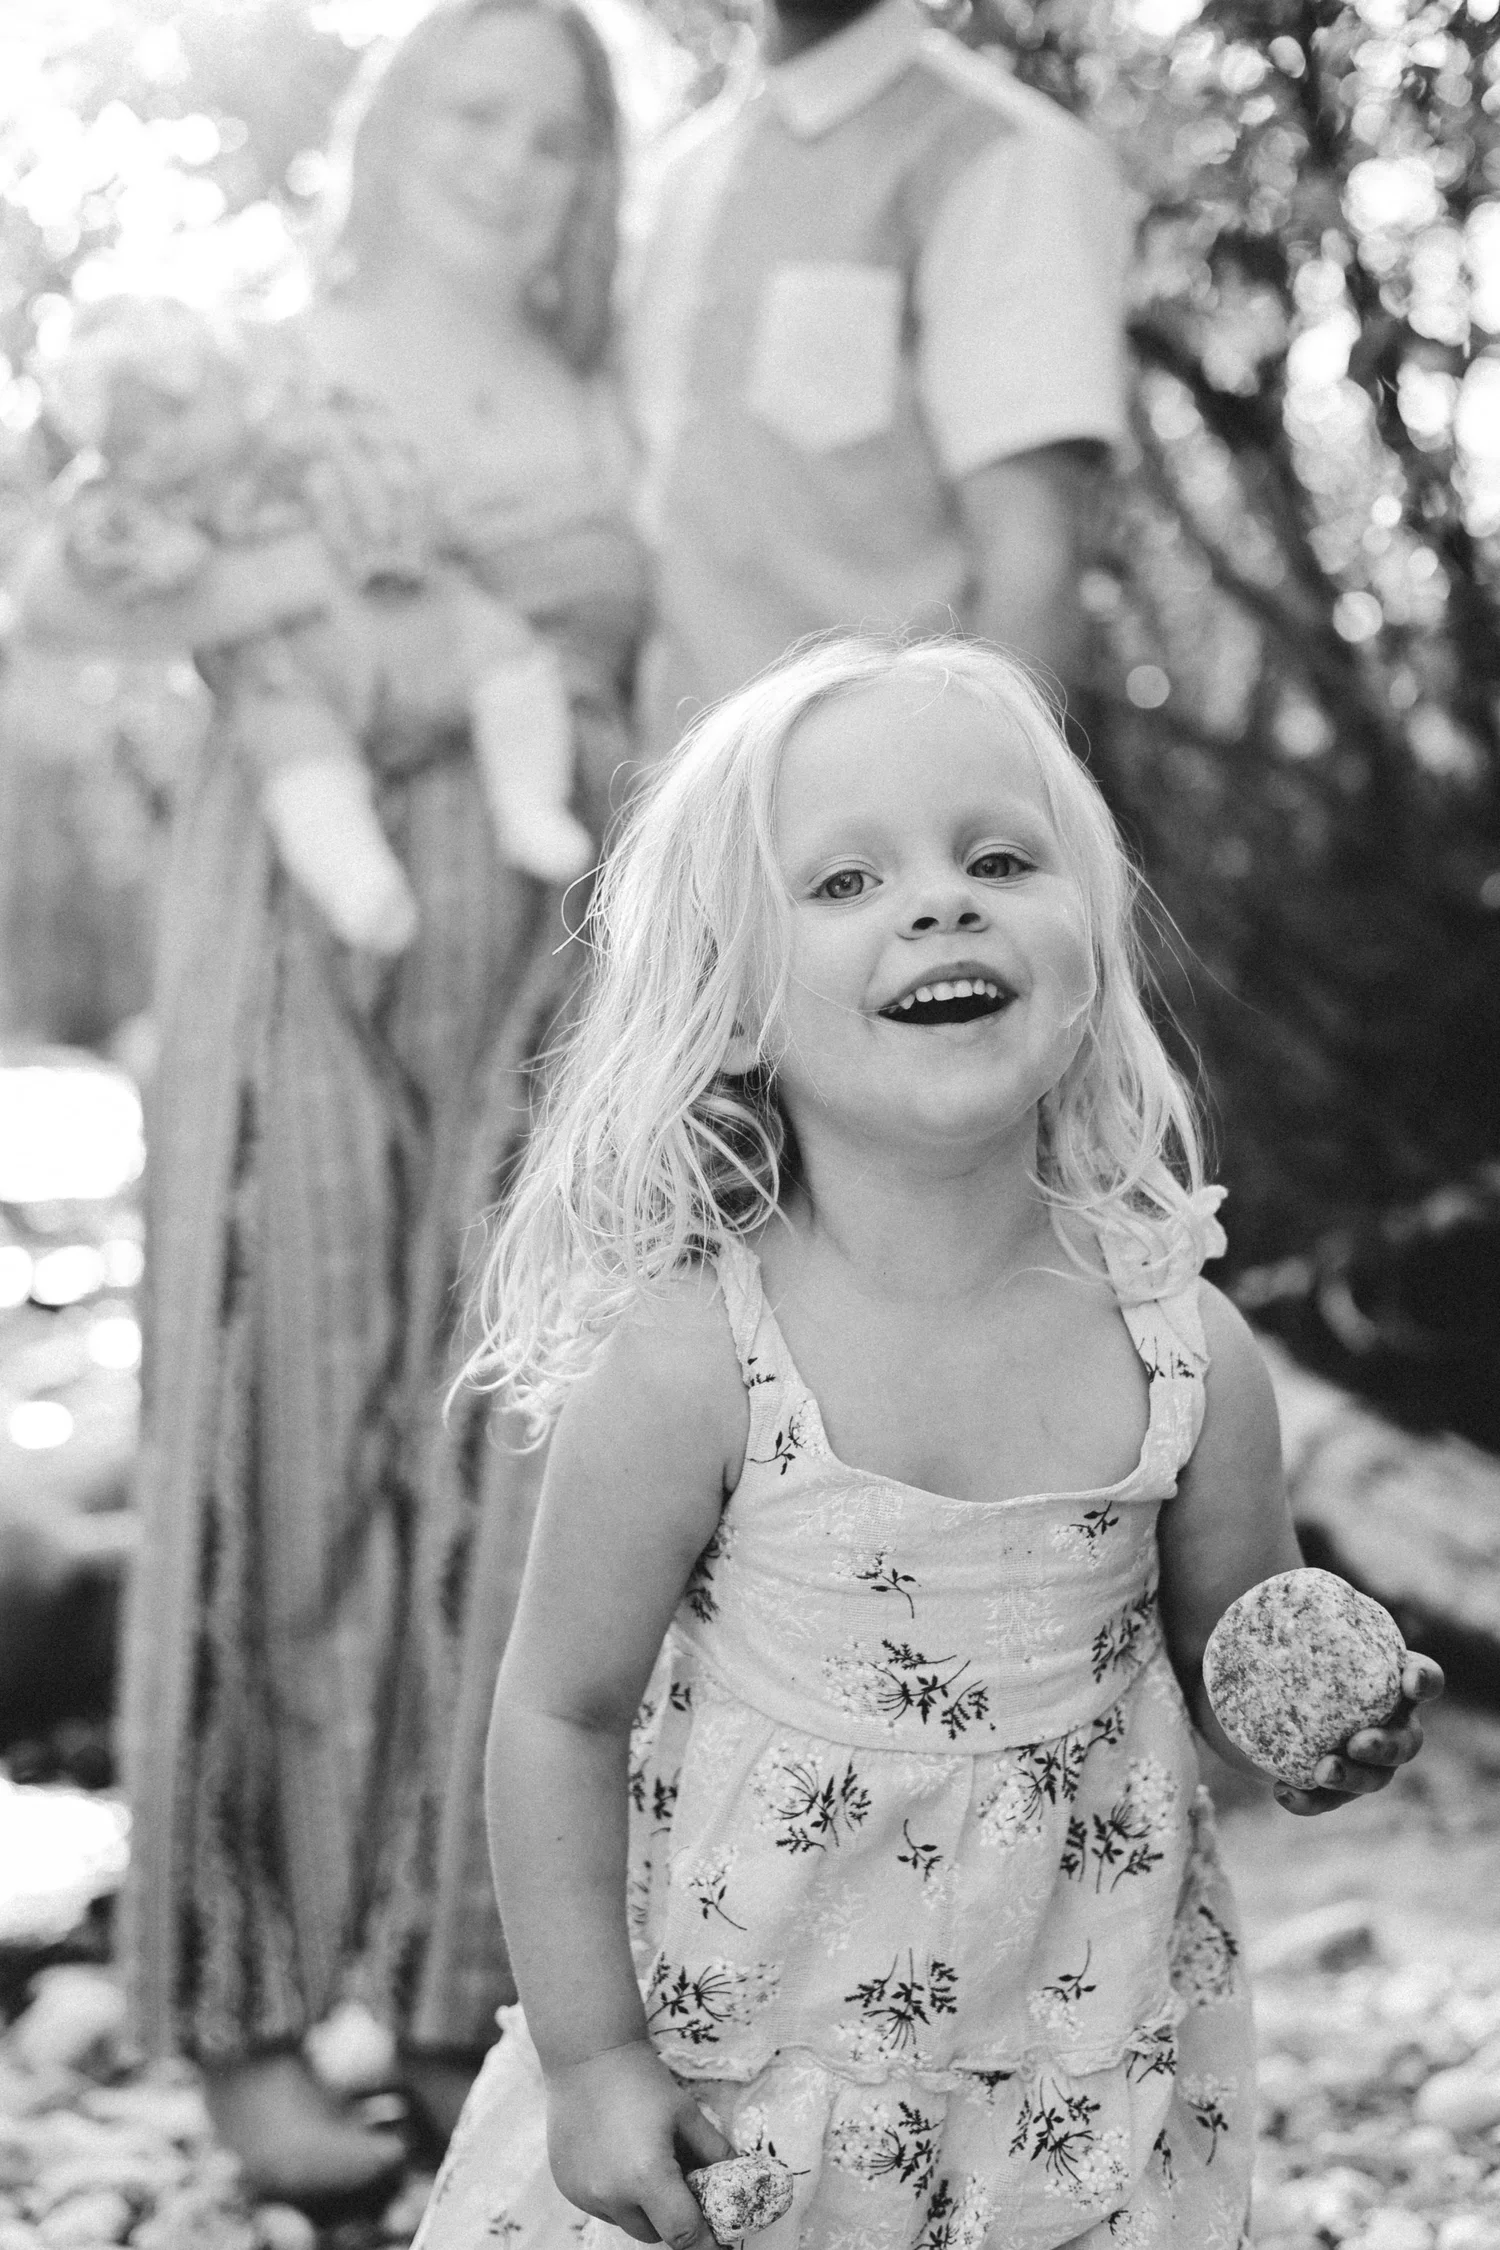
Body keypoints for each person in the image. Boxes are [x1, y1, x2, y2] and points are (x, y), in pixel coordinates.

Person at [409, 637, 1441, 2250]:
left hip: (1073, 2075)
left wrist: (1315, 1739)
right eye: (846, 882)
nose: (941, 905)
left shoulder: (1186, 1351)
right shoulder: (699, 1359)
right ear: (732, 1005)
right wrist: (592, 2057)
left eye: (1000, 861)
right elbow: (558, 1711)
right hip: (750, 2078)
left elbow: (1235, 1662)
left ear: (1088, 941)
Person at [13, 0, 647, 2209]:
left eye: (554, 133)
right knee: (286, 1423)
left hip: (556, 939)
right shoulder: (269, 346)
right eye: (472, 110)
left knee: (519, 1441)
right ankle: (251, 2012)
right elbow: (47, 595)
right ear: (391, 130)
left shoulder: (609, 378)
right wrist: (320, 580)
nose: (509, 161)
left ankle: (470, 1980)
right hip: (299, 912)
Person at [624, 0, 1134, 757]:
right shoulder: (680, 176)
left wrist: (967, 808)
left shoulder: (1005, 156)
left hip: (875, 803)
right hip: (666, 795)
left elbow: (1032, 562)